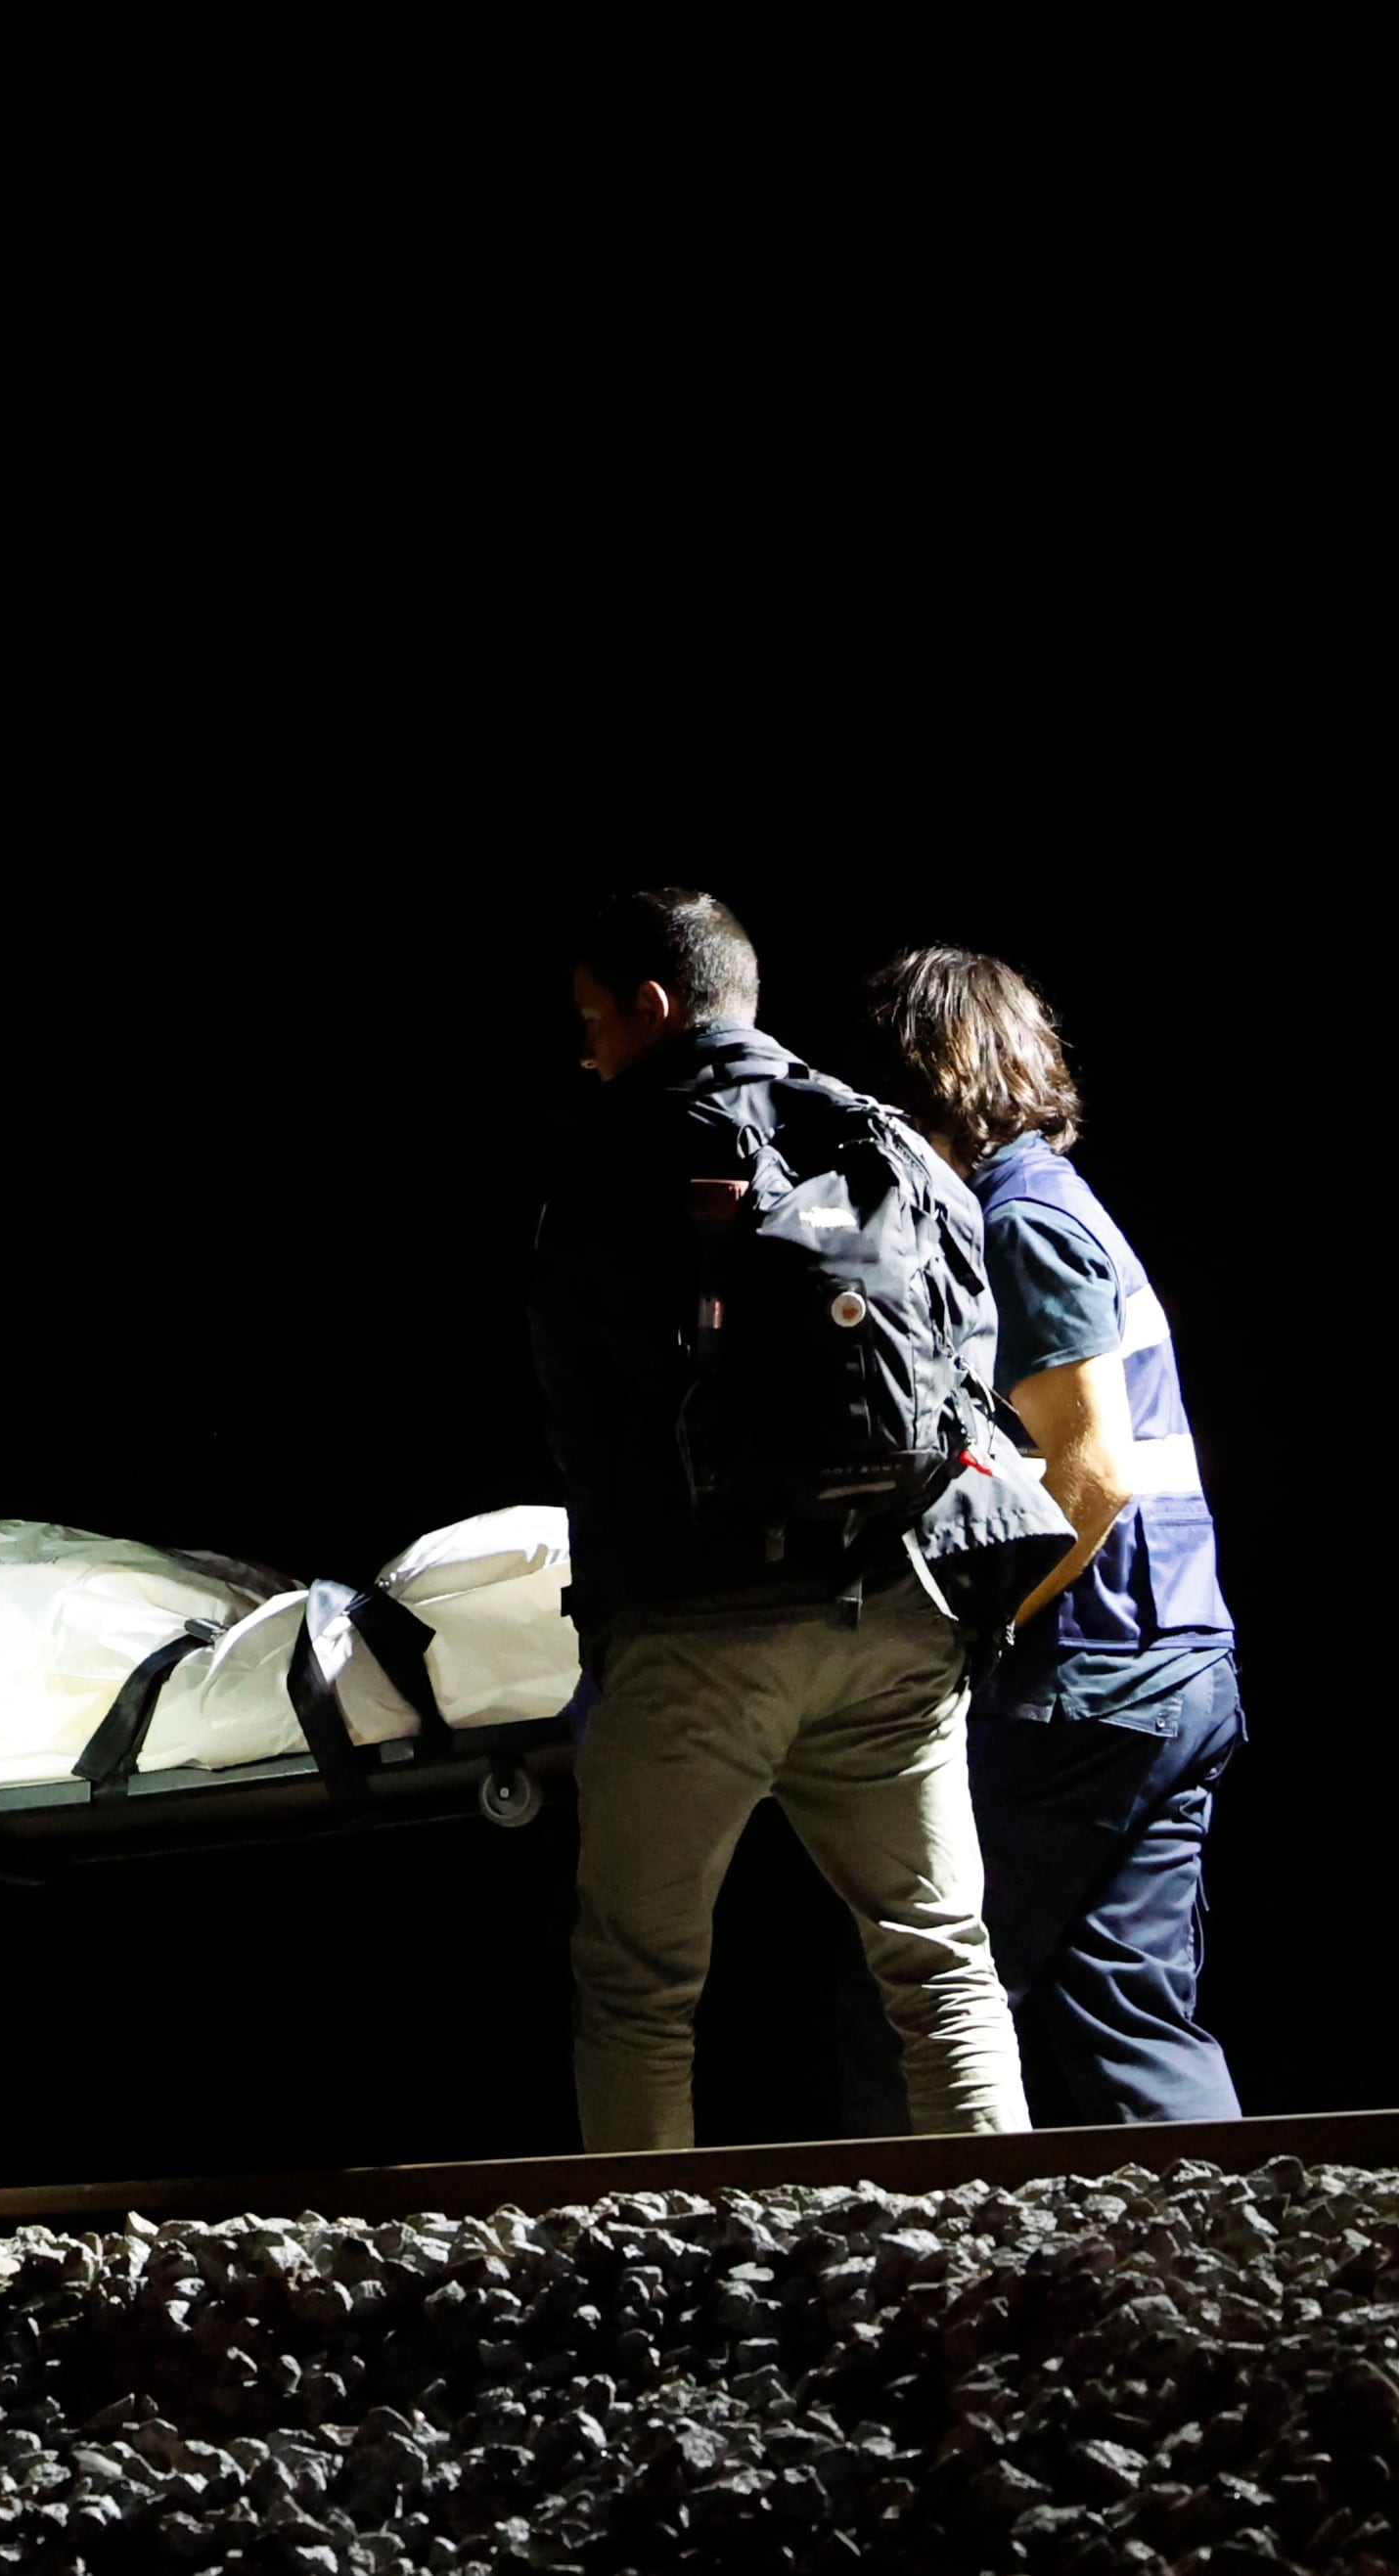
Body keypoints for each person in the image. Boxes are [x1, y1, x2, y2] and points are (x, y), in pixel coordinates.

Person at [532, 885, 1027, 2153]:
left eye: (591, 1017)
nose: (582, 1046)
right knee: (942, 1962)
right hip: (899, 1615)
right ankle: (1028, 2262)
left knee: (638, 1981)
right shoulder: (885, 1141)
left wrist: (616, 1641)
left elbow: (597, 1415)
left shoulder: (618, 1153)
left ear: (652, 1006)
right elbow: (966, 1378)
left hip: (703, 1627)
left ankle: (633, 2293)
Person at [863, 947, 1245, 2124]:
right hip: (1169, 1668)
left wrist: (969, 1635)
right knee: (1124, 2013)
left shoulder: (1019, 1221)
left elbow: (1091, 1477)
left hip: (1088, 1684)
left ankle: (894, 2269)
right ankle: (1231, 2266)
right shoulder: (1064, 1207)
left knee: (915, 1993)